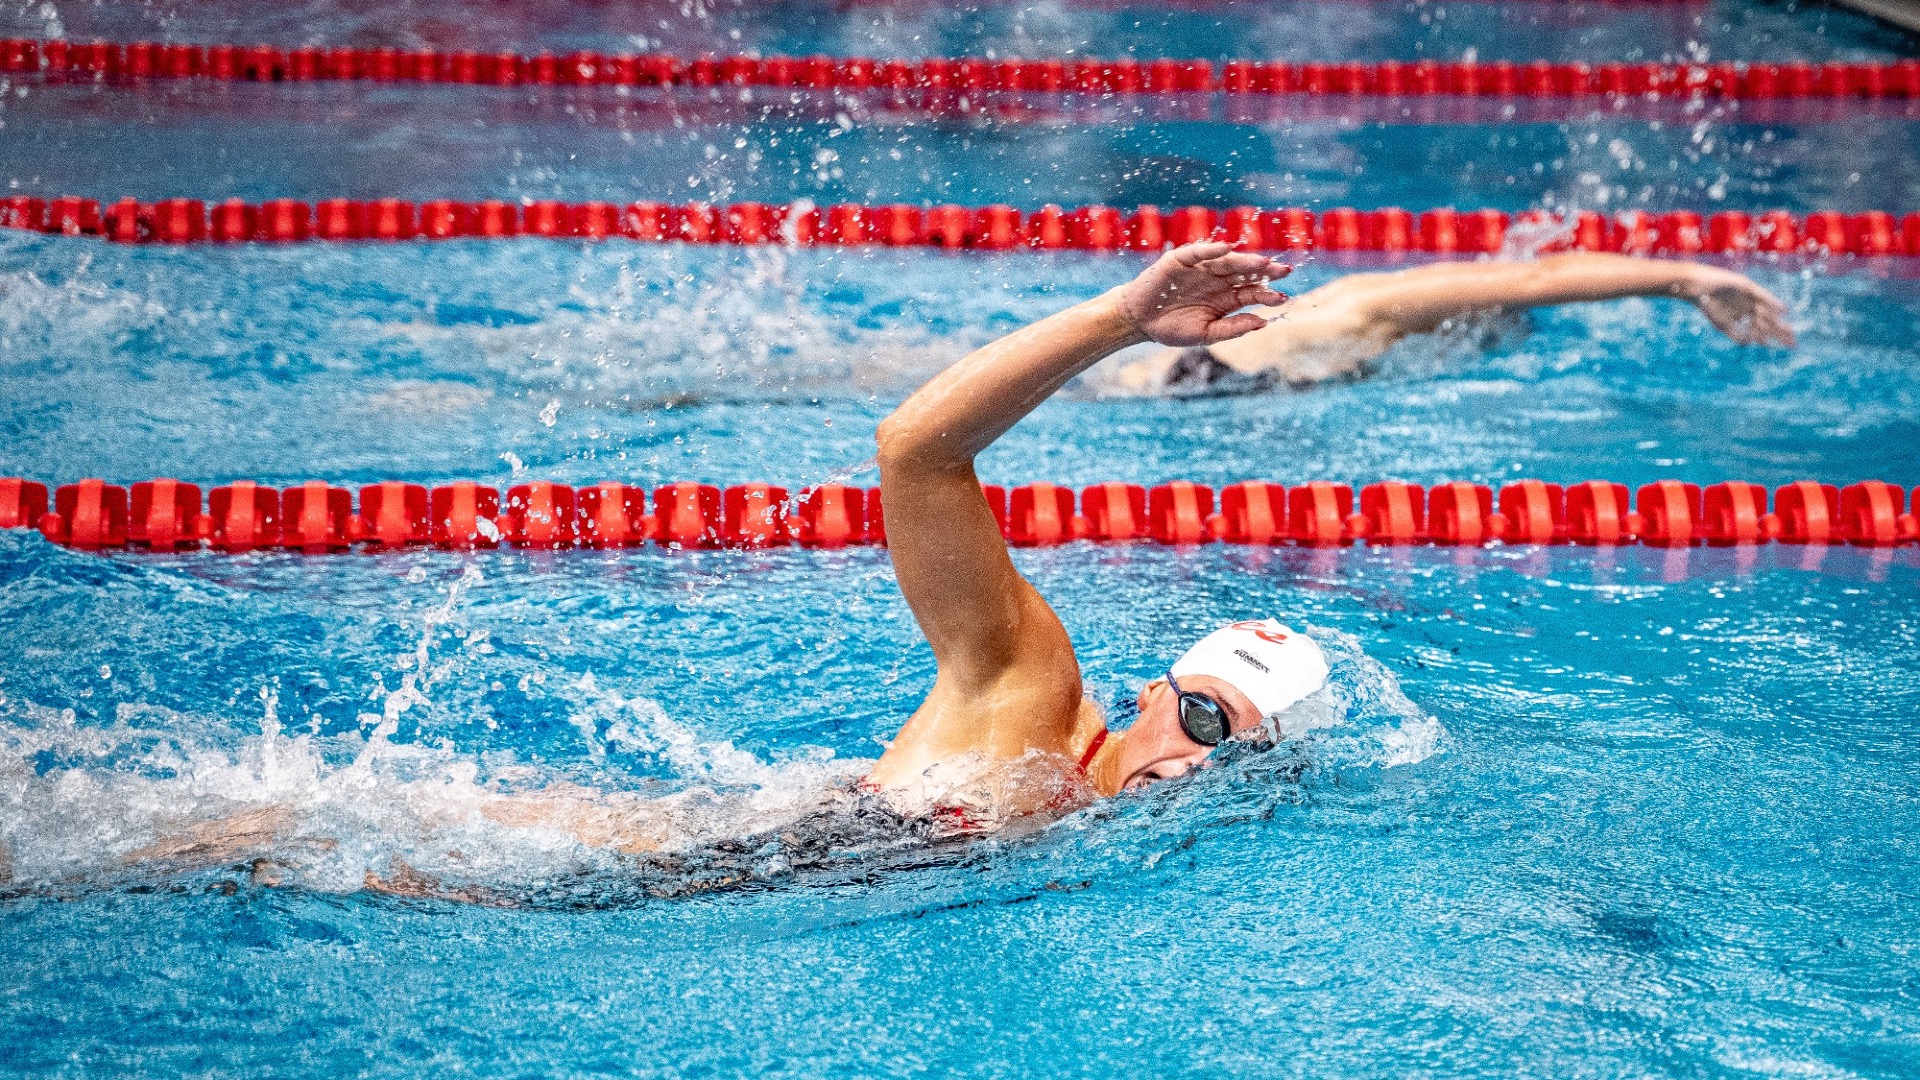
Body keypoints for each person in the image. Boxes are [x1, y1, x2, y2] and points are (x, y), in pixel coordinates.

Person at [37, 242, 1325, 900]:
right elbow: (917, 453)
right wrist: (1114, 322)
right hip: (557, 860)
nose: (1203, 760)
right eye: (1208, 715)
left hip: (614, 896)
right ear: (1161, 689)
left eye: (1242, 752)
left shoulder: (1094, 833)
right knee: (126, 853)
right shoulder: (1028, 691)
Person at [1113, 252, 1796, 394]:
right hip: (1191, 382)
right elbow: (1538, 280)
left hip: (1199, 383)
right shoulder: (1375, 303)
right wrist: (1690, 279)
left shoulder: (1378, 315)